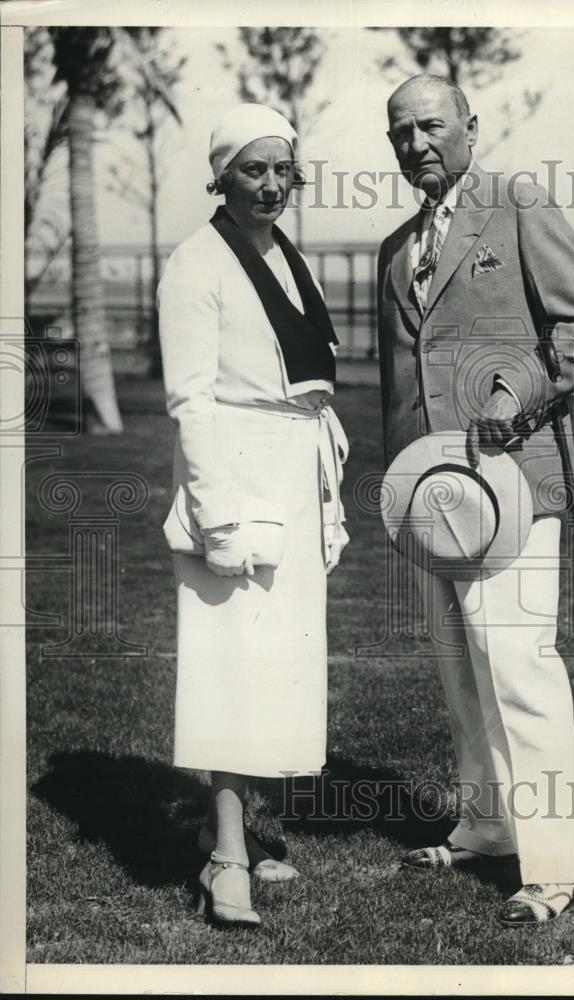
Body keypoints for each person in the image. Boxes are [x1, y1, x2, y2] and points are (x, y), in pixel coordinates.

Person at [376, 75, 574, 925]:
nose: (414, 145)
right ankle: (484, 827)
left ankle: (550, 866)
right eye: (398, 133)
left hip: (511, 478)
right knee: (460, 668)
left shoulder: (517, 202)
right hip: (431, 494)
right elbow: (398, 384)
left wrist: (512, 395)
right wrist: (399, 490)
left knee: (517, 664)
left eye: (430, 126)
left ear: (470, 126)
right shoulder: (394, 248)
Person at [157, 103, 349, 927]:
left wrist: (326, 503)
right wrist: (220, 519)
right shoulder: (195, 264)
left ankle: (222, 819)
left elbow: (307, 387)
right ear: (221, 176)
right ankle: (225, 859)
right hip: (233, 489)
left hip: (294, 484)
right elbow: (190, 404)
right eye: (252, 170)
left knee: (277, 674)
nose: (271, 186)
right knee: (229, 673)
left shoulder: (282, 255)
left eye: (282, 170)